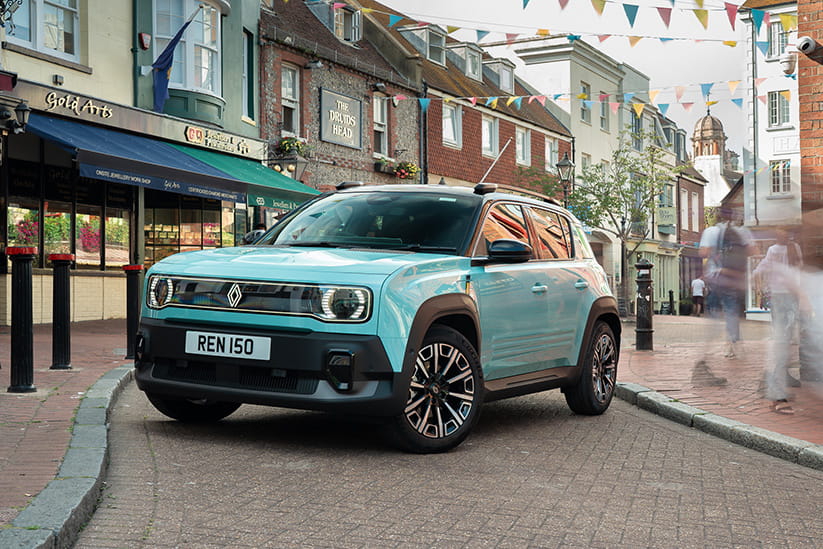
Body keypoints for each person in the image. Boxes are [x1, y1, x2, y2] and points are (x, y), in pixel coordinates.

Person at [692, 208, 755, 385]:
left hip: (717, 277)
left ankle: (704, 362)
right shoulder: (742, 232)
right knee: (731, 312)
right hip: (734, 279)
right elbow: (752, 250)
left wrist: (714, 252)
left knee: (713, 316)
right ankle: (734, 344)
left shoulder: (711, 231)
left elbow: (703, 253)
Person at [753, 228, 803, 414]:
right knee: (785, 342)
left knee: (785, 342)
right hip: (786, 298)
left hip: (783, 297)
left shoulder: (782, 249)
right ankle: (774, 388)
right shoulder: (785, 249)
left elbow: (764, 267)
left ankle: (774, 383)